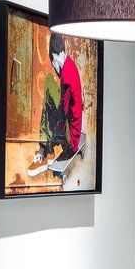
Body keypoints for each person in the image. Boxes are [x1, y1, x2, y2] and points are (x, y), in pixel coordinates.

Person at [34, 31, 85, 176]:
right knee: (50, 96)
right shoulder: (70, 66)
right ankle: (44, 148)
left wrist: (48, 139)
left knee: (49, 82)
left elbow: (64, 113)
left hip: (71, 138)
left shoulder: (66, 76)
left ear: (55, 57)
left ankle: (43, 150)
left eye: (53, 64)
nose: (55, 69)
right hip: (73, 130)